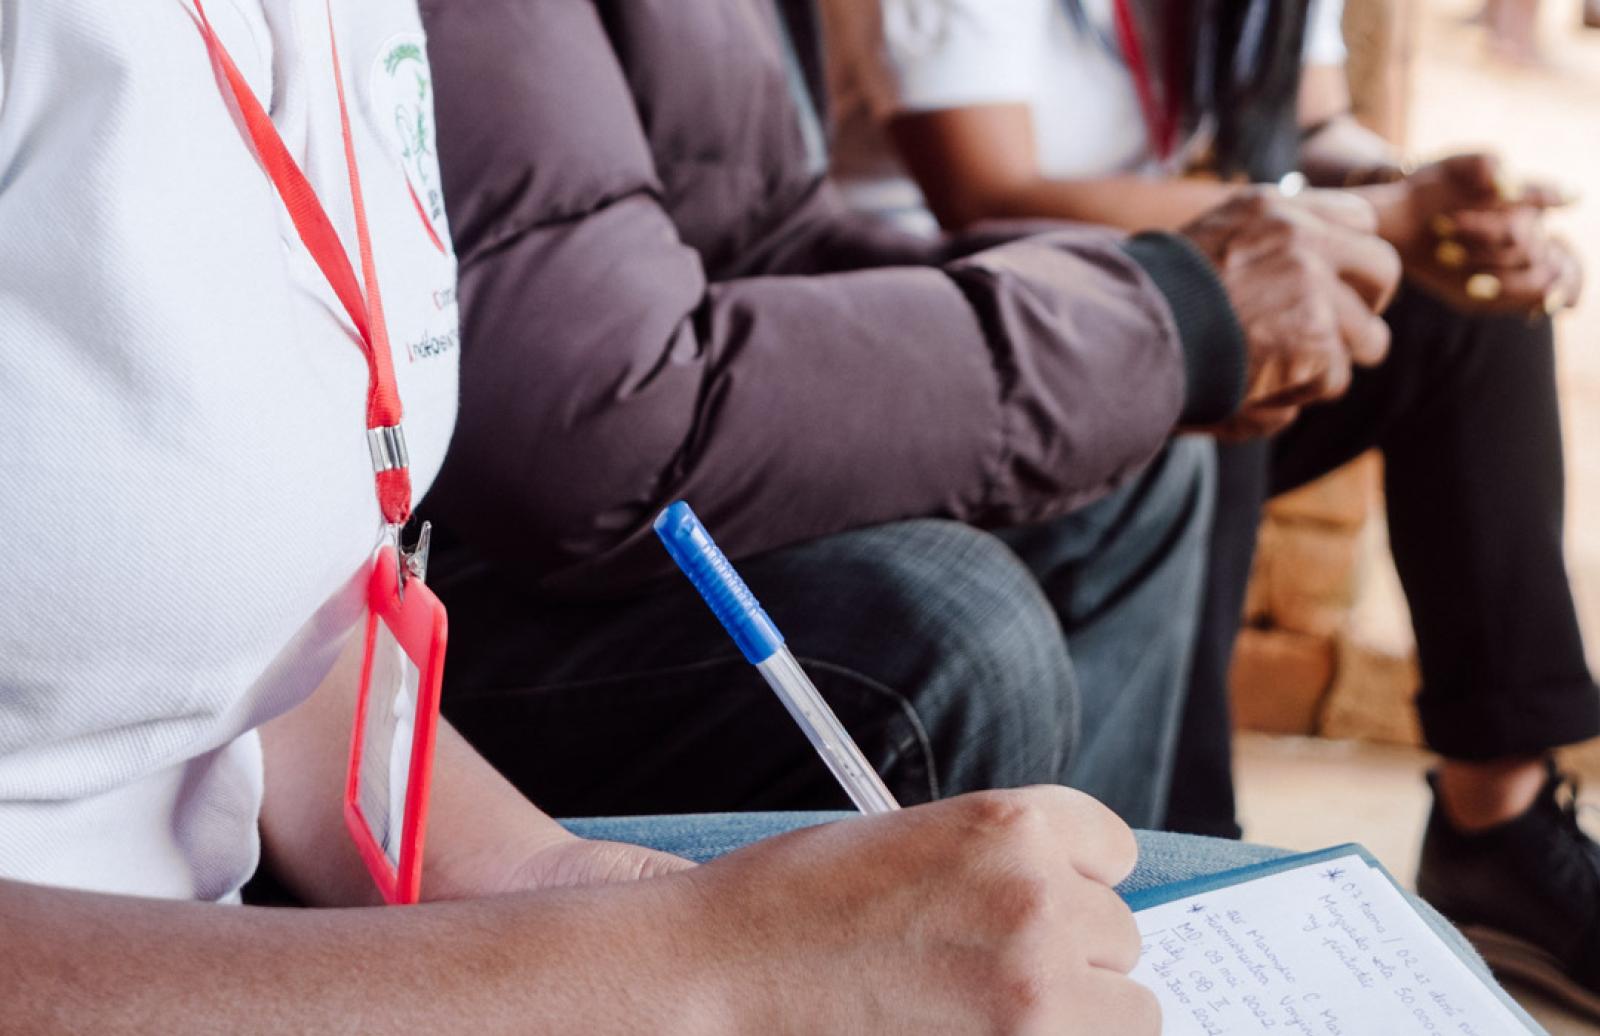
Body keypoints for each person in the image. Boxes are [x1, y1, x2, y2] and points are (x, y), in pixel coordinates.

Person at [0, 2, 1413, 1032]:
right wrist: (685, 967)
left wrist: (549, 875)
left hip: (246, 908)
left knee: (1224, 928)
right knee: (943, 631)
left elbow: (284, 596)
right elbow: (604, 402)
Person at [412, 0, 1399, 842]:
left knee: (1139, 460)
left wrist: (1132, 326)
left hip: (579, 455)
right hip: (398, 589)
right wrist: (1152, 321)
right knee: (947, 628)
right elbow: (599, 417)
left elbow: (771, 235)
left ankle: (1122, 936)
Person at [820, 0, 1599, 1011]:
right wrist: (1367, 222)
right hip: (955, 347)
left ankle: (1495, 826)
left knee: (1456, 306)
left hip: (1154, 296)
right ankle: (1188, 864)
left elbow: (1315, 136)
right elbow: (981, 187)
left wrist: (1433, 214)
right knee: (1221, 331)